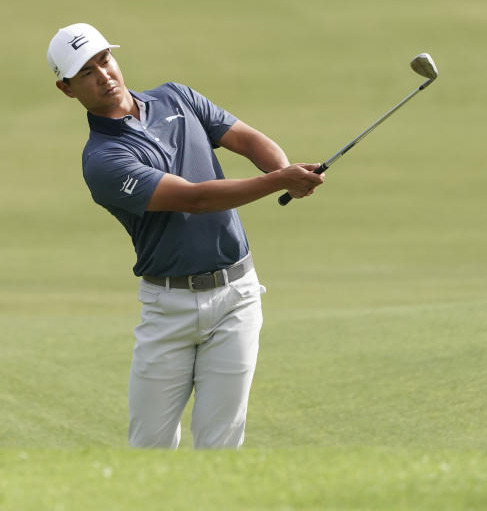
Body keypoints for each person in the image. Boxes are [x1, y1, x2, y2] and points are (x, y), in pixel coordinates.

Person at [47, 23, 324, 449]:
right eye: (86, 72)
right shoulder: (103, 161)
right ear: (68, 89)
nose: (103, 75)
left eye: (104, 60)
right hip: (168, 308)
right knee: (150, 450)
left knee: (221, 444)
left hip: (237, 297)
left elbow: (247, 139)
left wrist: (283, 173)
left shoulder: (175, 97)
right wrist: (279, 181)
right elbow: (194, 199)